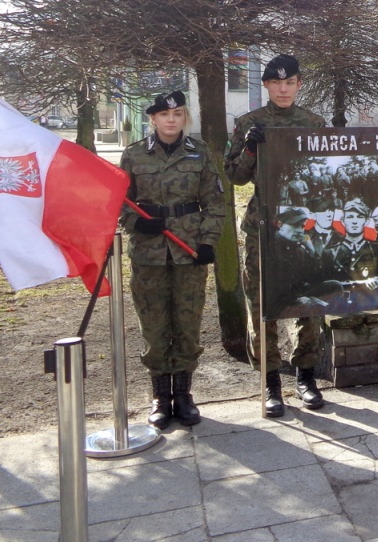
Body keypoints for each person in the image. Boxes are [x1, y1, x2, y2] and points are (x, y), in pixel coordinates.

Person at [224, 54, 326, 417]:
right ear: (266, 85)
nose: (284, 89)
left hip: (301, 226)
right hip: (262, 227)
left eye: (291, 83)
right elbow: (235, 176)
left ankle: (306, 376)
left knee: (307, 301)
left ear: (299, 85)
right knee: (261, 304)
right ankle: (270, 382)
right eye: (276, 83)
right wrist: (251, 147)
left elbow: (325, 175)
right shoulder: (249, 123)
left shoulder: (314, 123)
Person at [119, 90, 225, 429]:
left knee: (187, 323)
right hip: (149, 253)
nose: (171, 120)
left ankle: (183, 394)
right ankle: (160, 396)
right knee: (154, 324)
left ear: (185, 118)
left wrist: (208, 242)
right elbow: (118, 202)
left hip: (188, 251)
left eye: (178, 114)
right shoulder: (134, 155)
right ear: (153, 119)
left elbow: (216, 203)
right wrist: (138, 222)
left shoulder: (200, 154)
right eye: (165, 115)